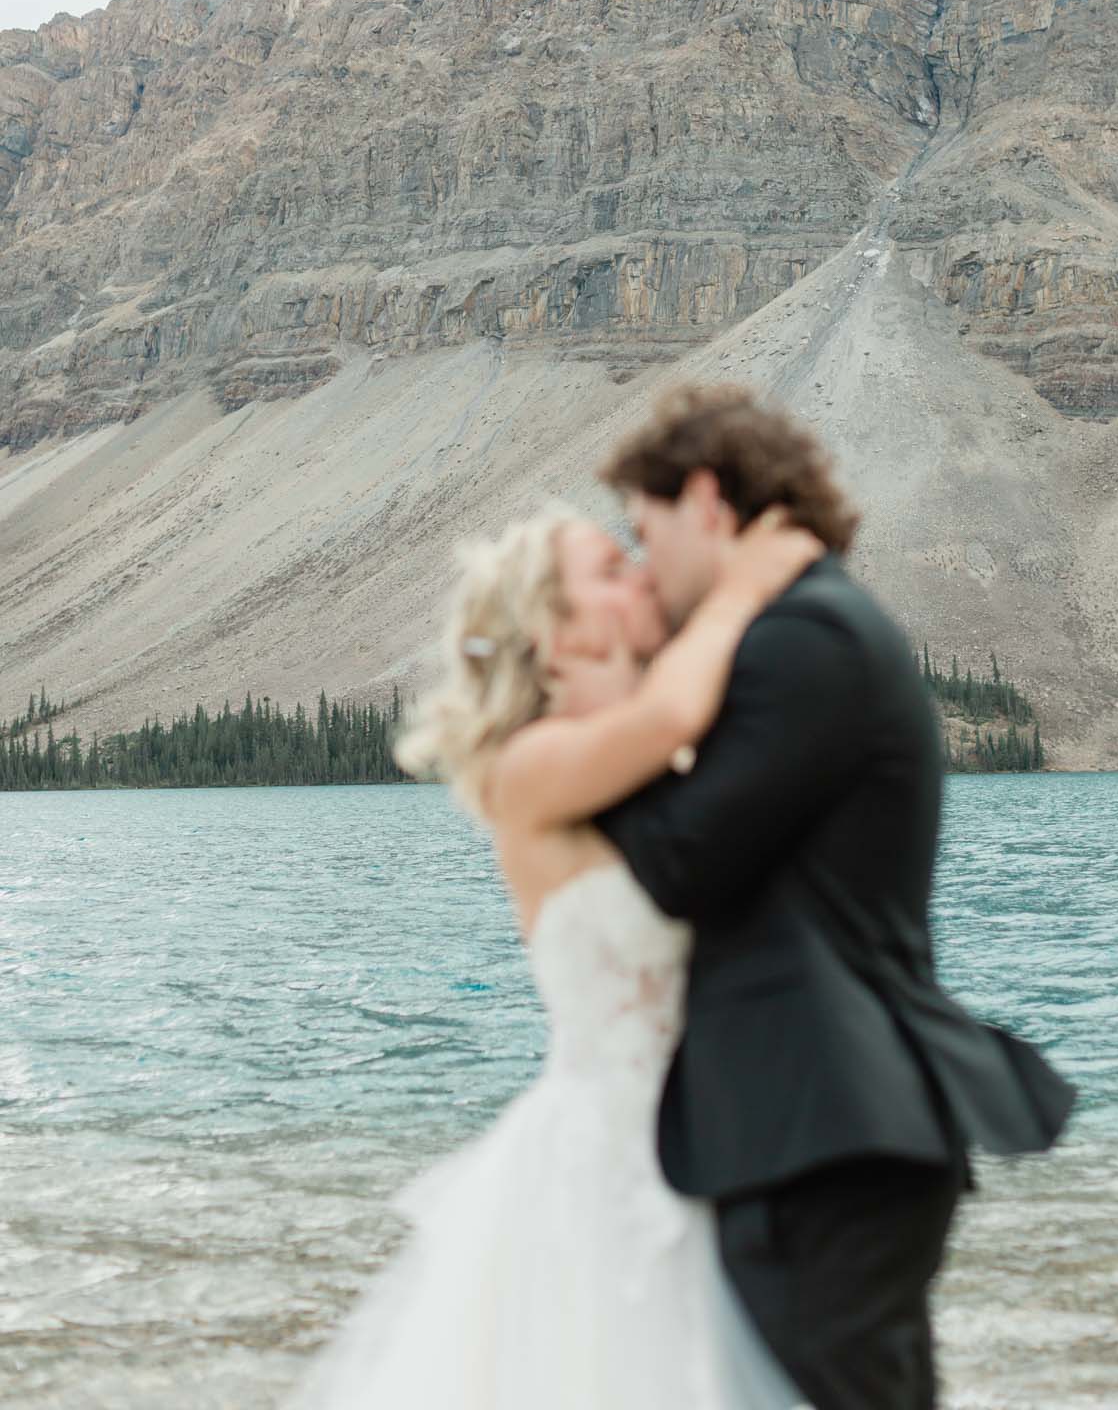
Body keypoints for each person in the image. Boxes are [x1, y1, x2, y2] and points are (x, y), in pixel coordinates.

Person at [593, 384, 1077, 1410]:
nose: (643, 566)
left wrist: (601, 715)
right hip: (828, 1127)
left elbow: (677, 860)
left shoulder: (805, 639)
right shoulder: (814, 631)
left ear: (710, 503)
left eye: (646, 531)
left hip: (829, 1137)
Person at [288, 495, 824, 1410]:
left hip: (720, 1142)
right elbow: (669, 715)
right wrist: (744, 588)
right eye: (611, 571)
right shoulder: (529, 767)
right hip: (610, 1160)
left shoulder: (668, 768)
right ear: (555, 630)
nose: (641, 575)